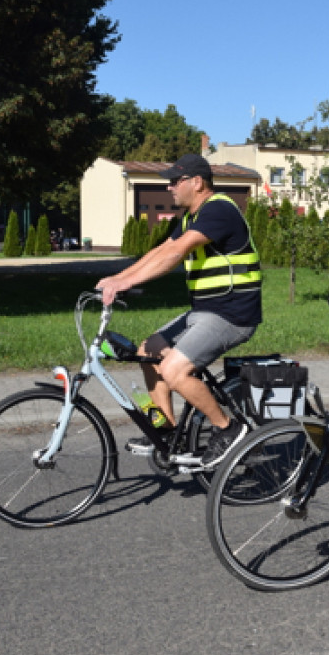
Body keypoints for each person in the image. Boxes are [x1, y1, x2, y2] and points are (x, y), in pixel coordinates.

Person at [95, 154, 262, 467]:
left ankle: (228, 429)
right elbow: (159, 250)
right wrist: (118, 279)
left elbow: (175, 252)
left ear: (196, 183)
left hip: (232, 315)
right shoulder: (191, 218)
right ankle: (168, 430)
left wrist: (125, 282)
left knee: (173, 370)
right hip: (206, 310)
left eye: (175, 180)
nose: (170, 187)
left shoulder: (220, 210)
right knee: (148, 351)